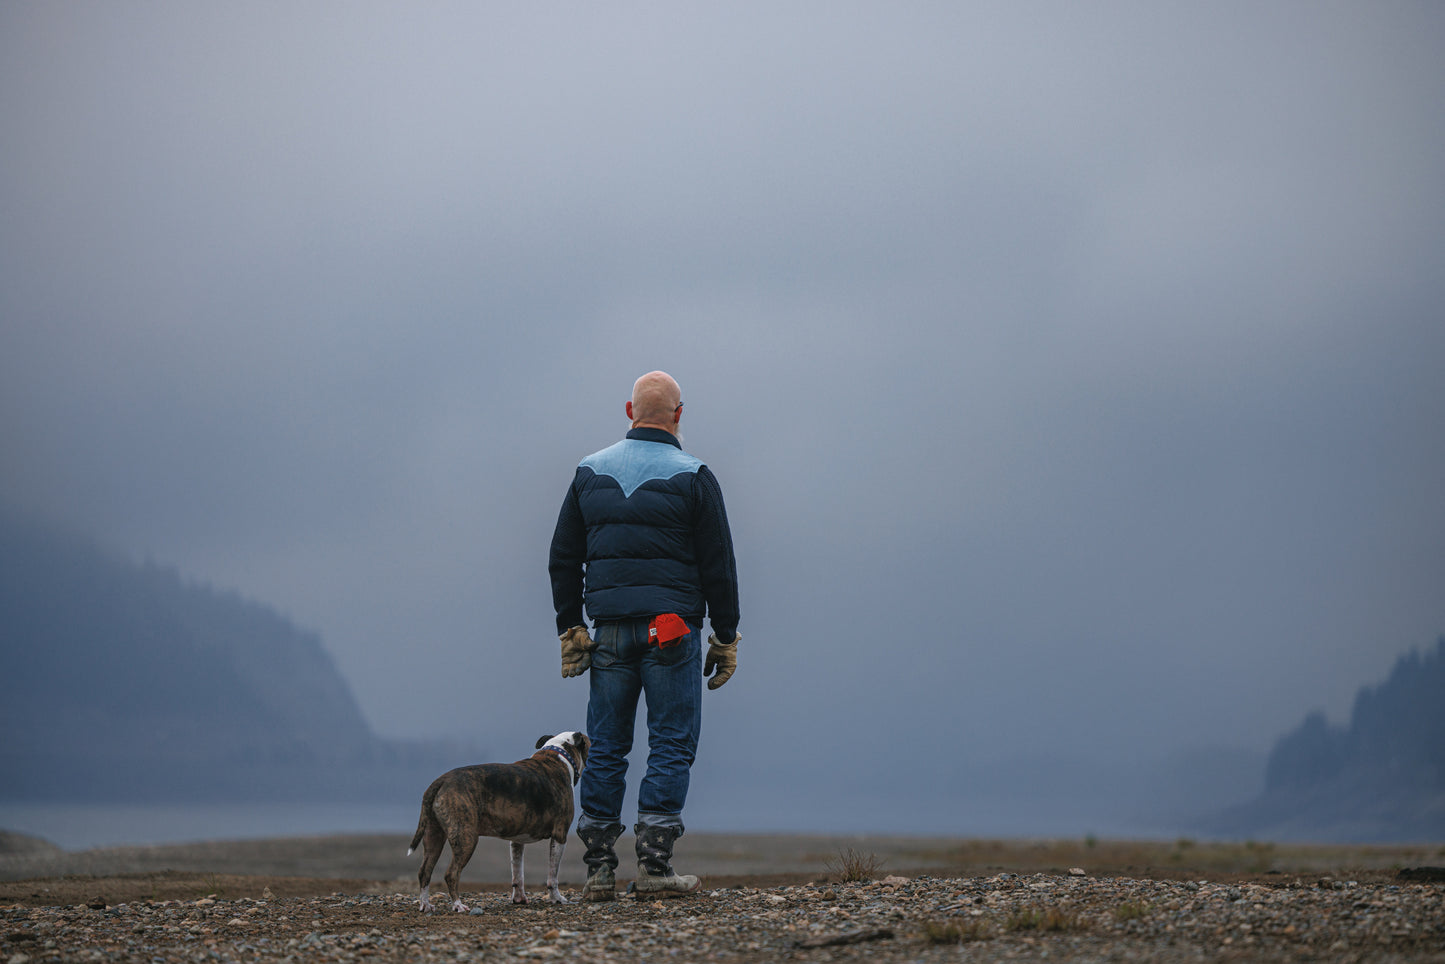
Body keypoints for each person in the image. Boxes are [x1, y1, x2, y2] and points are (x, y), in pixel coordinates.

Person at [549, 370, 741, 900]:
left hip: (609, 633)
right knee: (671, 743)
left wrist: (571, 626)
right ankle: (655, 867)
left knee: (606, 746)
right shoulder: (695, 475)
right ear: (679, 415)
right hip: (672, 633)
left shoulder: (589, 472)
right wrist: (725, 637)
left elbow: (563, 557)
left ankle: (598, 872)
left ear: (630, 412)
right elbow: (719, 565)